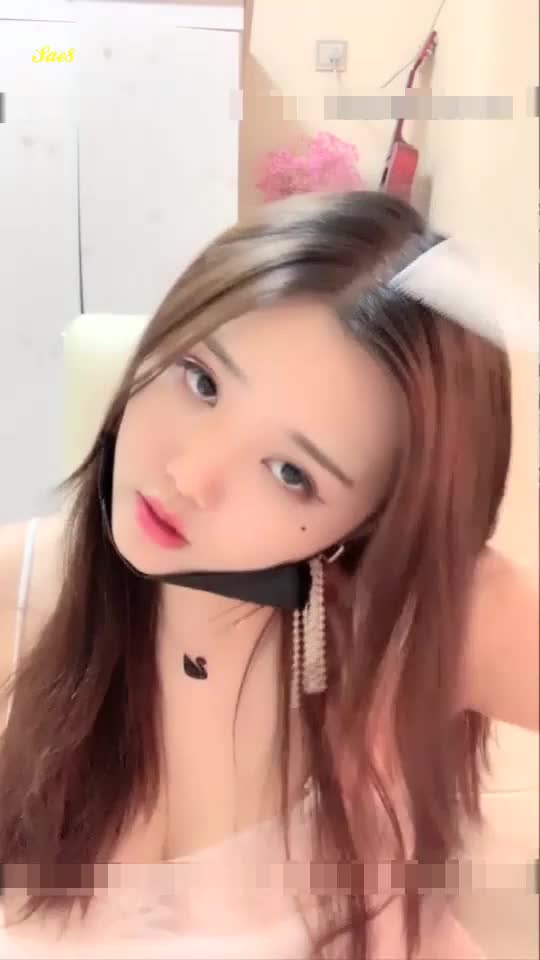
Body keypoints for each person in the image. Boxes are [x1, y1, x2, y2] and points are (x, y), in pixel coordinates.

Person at [0, 190, 537, 959]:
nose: (189, 475)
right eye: (202, 381)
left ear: (374, 522)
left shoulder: (417, 626)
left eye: (290, 473)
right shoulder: (15, 597)